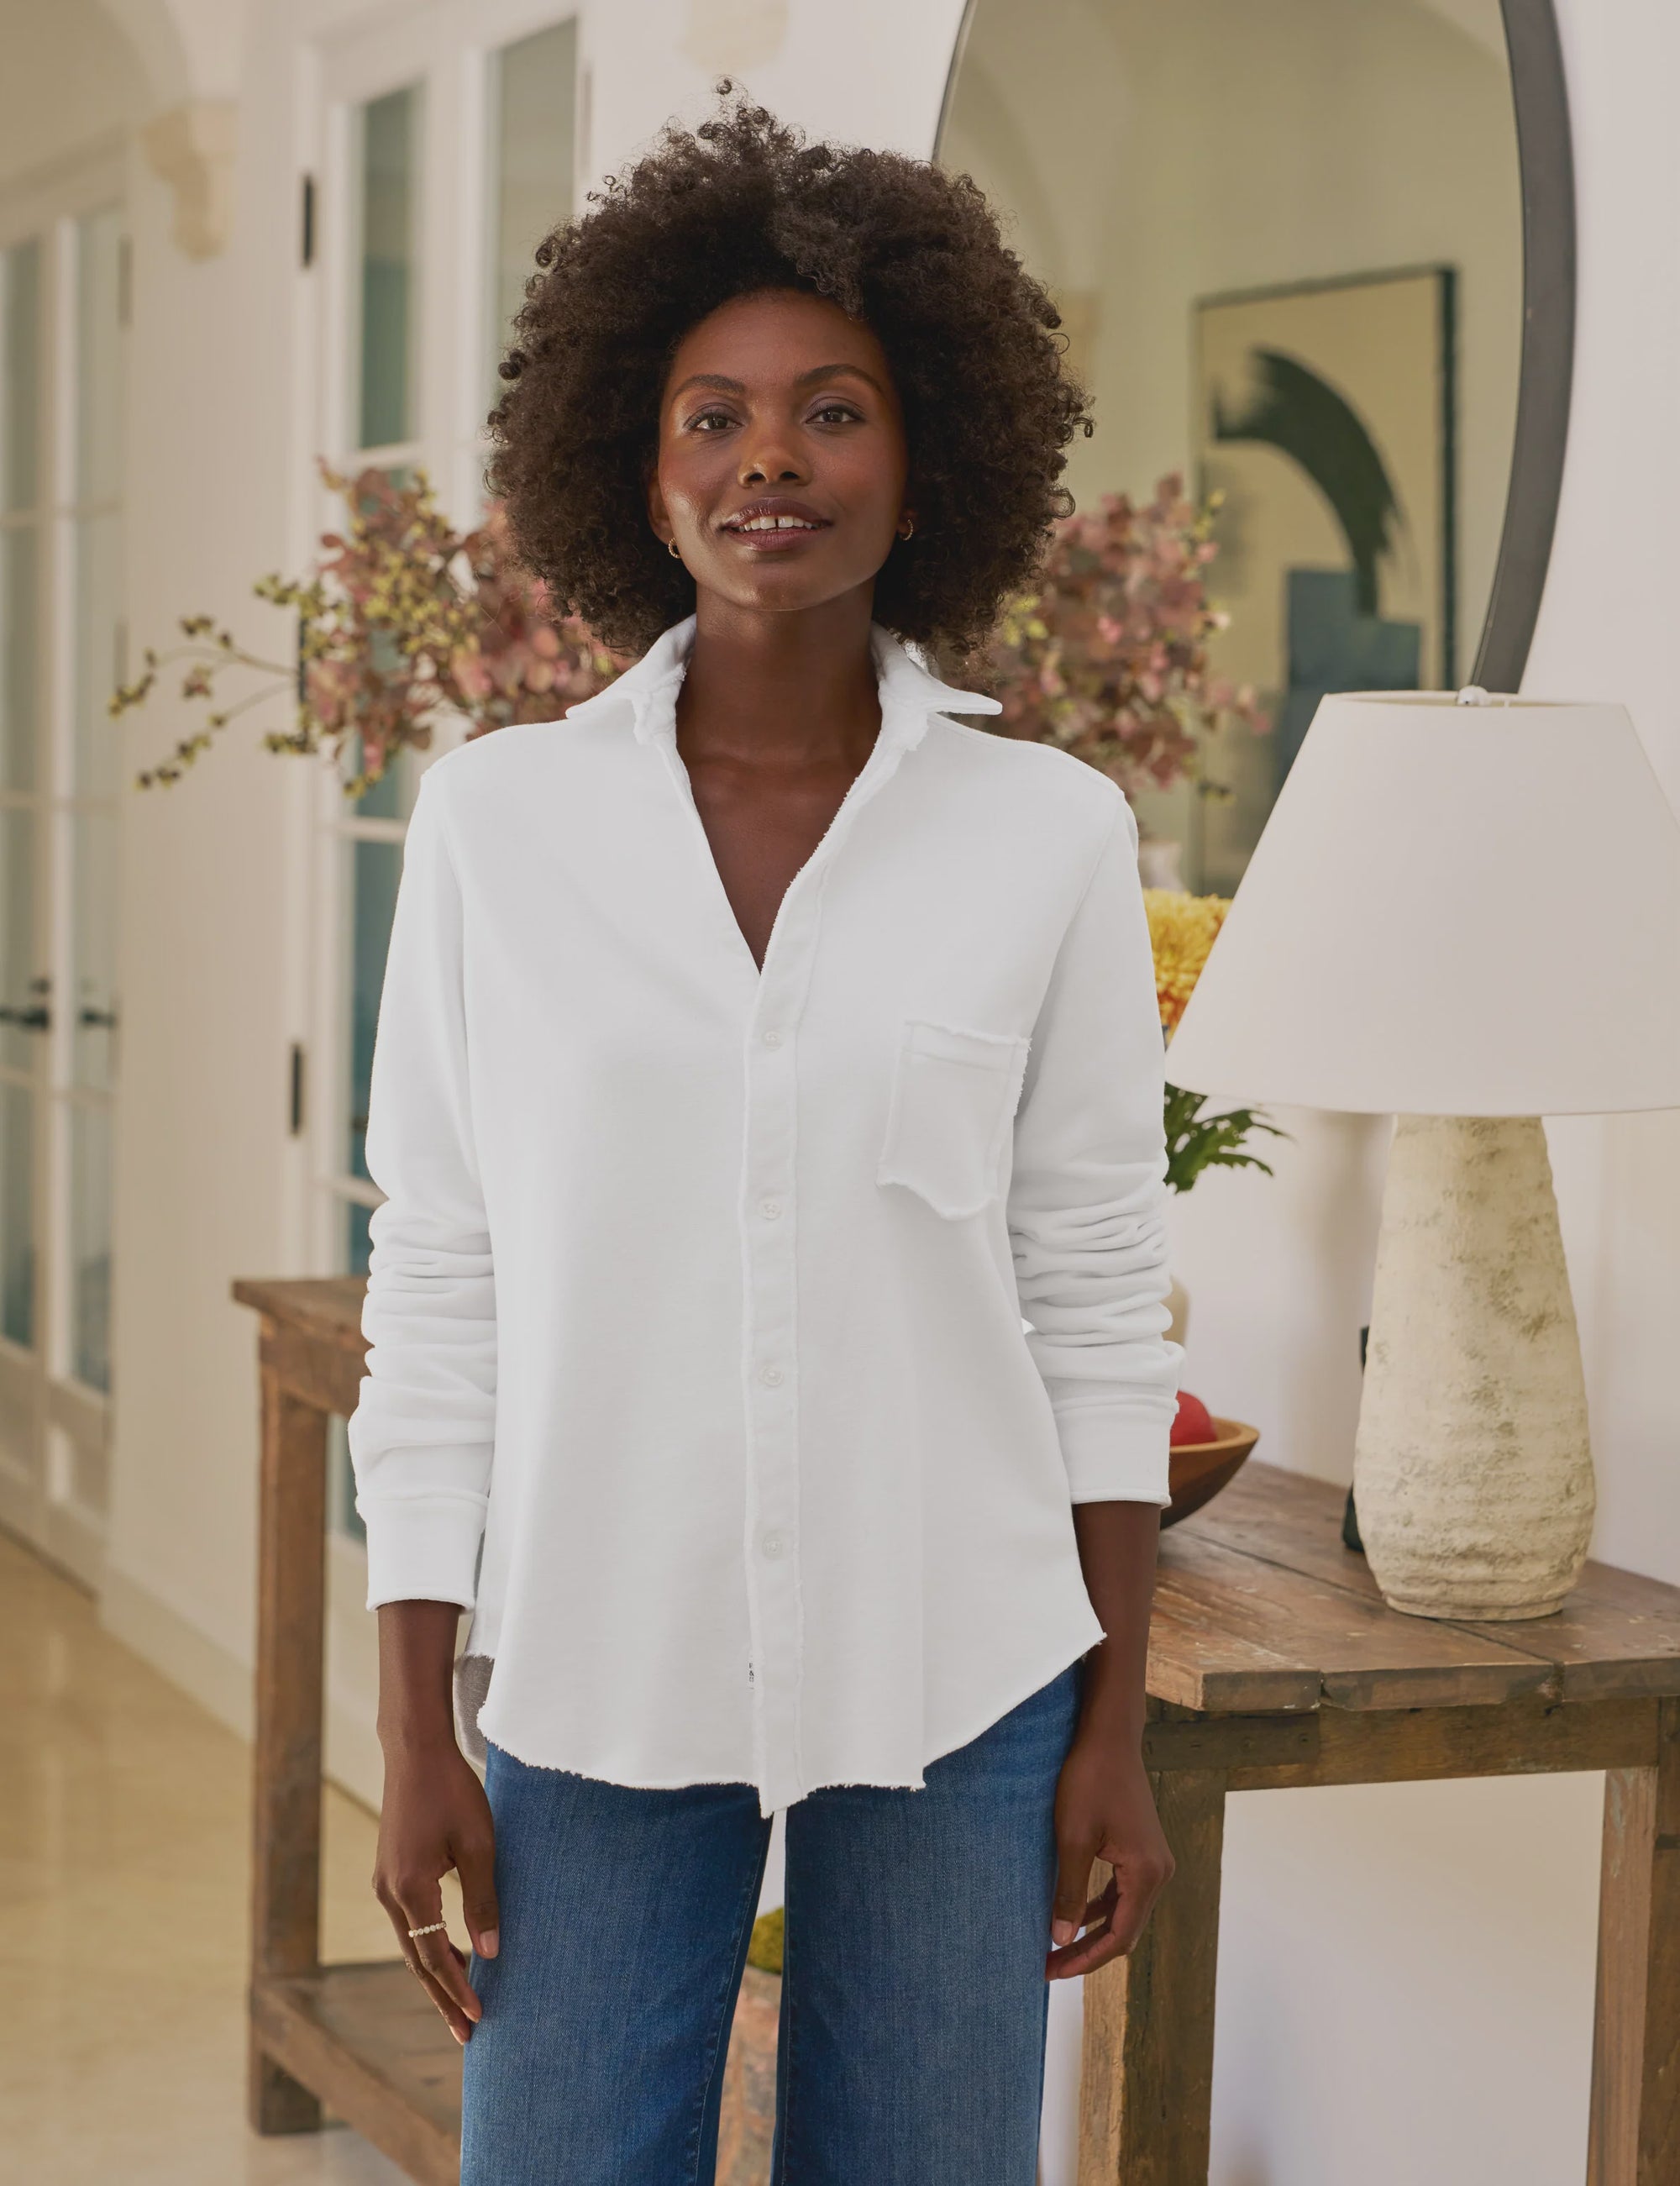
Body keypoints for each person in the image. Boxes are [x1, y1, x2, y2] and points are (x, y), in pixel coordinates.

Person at [348, 85, 1184, 2186]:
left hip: (962, 1662)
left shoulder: (1050, 836)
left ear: (926, 467)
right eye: (712, 417)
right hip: (599, 1664)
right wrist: (412, 1721)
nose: (769, 463)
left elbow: (1089, 1287)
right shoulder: (496, 828)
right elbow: (437, 1275)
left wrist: (1112, 1720)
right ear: (638, 464)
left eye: (832, 410)